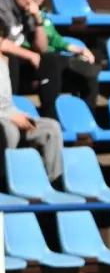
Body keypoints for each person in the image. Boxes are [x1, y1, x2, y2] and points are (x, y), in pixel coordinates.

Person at [1, 0, 78, 118]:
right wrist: (30, 55)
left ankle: (49, 115)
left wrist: (37, 19)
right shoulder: (2, 7)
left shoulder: (28, 10)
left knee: (50, 59)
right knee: (9, 57)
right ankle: (9, 115)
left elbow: (41, 48)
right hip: (7, 59)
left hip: (21, 59)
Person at [29, 0, 101, 106]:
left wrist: (81, 50)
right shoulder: (21, 14)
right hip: (36, 59)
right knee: (54, 60)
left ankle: (88, 113)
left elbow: (58, 41)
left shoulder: (45, 18)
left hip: (53, 57)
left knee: (89, 70)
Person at [1, 46, 65, 181]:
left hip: (9, 114)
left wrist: (19, 114)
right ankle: (6, 180)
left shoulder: (3, 64)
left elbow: (6, 102)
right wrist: (9, 116)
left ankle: (54, 181)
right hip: (4, 119)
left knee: (51, 127)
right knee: (10, 131)